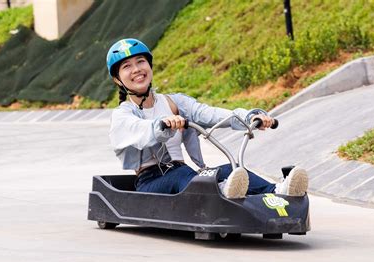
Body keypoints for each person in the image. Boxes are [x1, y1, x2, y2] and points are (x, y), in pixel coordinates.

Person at [107, 38, 308, 198]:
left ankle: (279, 191)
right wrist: (162, 125)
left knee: (229, 168)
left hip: (184, 173)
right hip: (151, 182)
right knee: (184, 175)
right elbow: (139, 130)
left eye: (140, 61)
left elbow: (209, 113)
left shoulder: (174, 103)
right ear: (117, 79)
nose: (136, 70)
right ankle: (222, 191)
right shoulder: (123, 114)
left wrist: (249, 117)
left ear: (149, 65)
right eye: (127, 66)